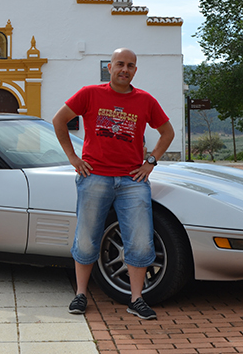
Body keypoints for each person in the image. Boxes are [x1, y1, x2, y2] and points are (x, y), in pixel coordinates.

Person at [52, 48, 175, 320]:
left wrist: (150, 162)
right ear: (109, 67)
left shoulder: (145, 100)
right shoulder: (90, 93)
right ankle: (81, 294)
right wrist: (73, 158)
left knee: (141, 241)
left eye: (131, 65)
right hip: (94, 176)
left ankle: (136, 299)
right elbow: (59, 120)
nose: (125, 69)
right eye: (120, 64)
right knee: (86, 238)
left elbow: (167, 132)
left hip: (132, 180)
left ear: (135, 70)